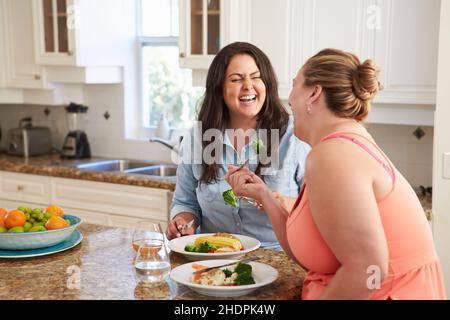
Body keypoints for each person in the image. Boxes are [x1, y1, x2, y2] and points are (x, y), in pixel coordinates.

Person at [225, 48, 446, 299]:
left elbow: (367, 270)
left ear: (314, 93)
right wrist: (264, 195)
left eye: (295, 85)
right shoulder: (339, 144)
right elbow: (314, 256)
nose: (289, 100)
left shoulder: (333, 155)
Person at [166, 42, 310, 249]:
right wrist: (182, 223)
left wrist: (273, 200)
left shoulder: (294, 135)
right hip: (214, 256)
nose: (248, 86)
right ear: (220, 89)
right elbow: (185, 202)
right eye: (236, 79)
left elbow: (317, 211)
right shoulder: (198, 137)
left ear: (267, 84)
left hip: (280, 256)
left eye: (256, 77)